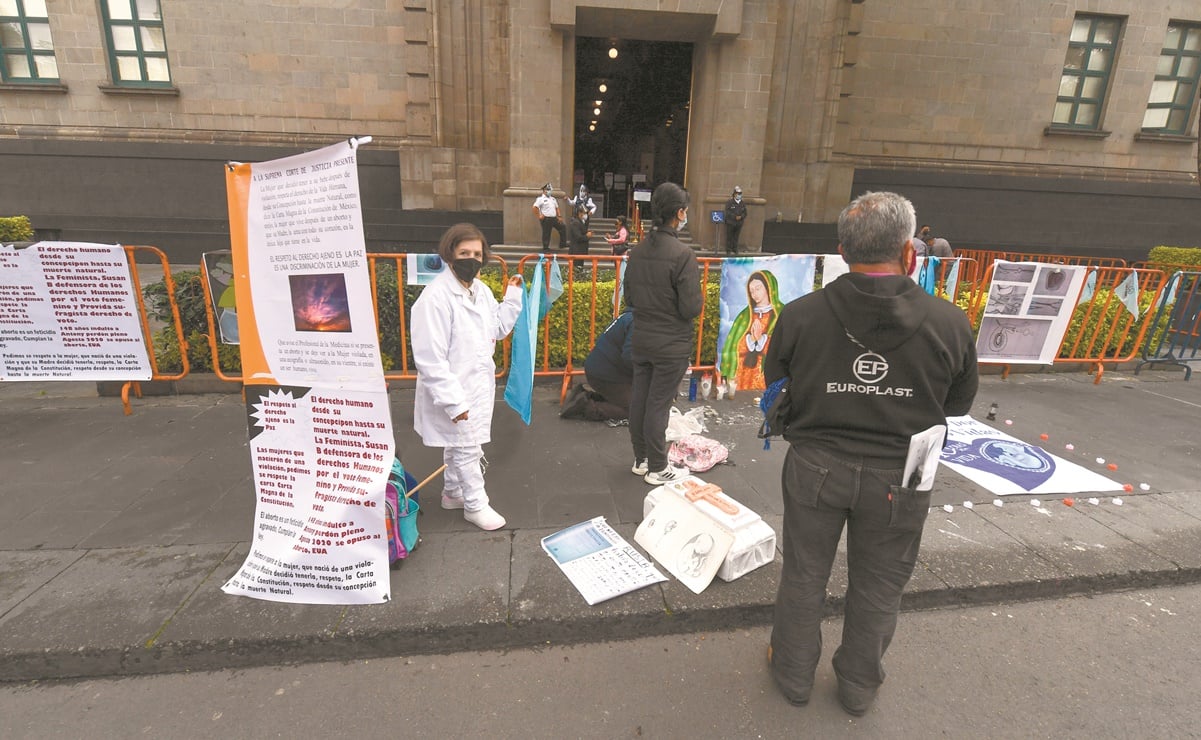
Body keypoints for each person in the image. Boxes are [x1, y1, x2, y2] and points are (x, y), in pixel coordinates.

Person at [763, 191, 978, 716]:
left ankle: (793, 673)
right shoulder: (949, 322)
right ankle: (858, 686)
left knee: (804, 574)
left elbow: (776, 382)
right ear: (910, 252)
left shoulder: (802, 314)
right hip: (904, 474)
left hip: (817, 464)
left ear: (842, 250)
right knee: (881, 583)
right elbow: (957, 401)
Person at [410, 223, 524, 531]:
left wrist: (512, 298)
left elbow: (497, 329)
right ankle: (475, 504)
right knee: (467, 446)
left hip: (476, 384)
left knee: (459, 443)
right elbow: (429, 359)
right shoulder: (434, 299)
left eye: (477, 253)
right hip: (454, 388)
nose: (471, 259)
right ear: (450, 254)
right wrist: (452, 401)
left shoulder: (481, 291)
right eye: (464, 253)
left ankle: (453, 492)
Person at [624, 182, 704, 485]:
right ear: (679, 213)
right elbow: (690, 307)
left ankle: (641, 460)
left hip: (642, 338)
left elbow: (629, 297)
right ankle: (658, 467)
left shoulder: (638, 252)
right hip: (671, 344)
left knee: (640, 400)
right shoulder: (683, 254)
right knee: (658, 404)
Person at [560, 310, 633, 422]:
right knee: (636, 410)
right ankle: (586, 407)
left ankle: (586, 397)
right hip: (608, 375)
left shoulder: (628, 316)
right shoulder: (636, 321)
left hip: (602, 371)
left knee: (638, 400)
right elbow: (630, 357)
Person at [719, 270, 783, 392]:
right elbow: (733, 343)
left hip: (766, 372)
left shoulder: (781, 313)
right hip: (743, 371)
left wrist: (762, 340)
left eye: (758, 288)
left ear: (769, 287)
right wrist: (751, 339)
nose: (755, 294)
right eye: (751, 291)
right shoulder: (744, 316)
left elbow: (784, 342)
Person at [532, 183, 566, 252]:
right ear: (544, 190)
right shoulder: (540, 199)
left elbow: (557, 208)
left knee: (563, 227)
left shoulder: (553, 199)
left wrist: (559, 216)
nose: (550, 191)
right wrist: (539, 216)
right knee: (546, 233)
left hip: (554, 218)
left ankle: (563, 244)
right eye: (548, 190)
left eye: (550, 190)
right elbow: (534, 207)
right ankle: (545, 248)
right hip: (546, 219)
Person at [723, 185, 747, 255]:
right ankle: (728, 250)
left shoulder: (742, 203)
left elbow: (745, 213)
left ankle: (735, 249)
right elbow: (727, 212)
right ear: (734, 194)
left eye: (740, 194)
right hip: (731, 223)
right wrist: (734, 217)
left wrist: (741, 217)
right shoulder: (730, 202)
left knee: (736, 237)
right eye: (737, 194)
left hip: (739, 223)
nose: (739, 195)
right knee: (729, 236)